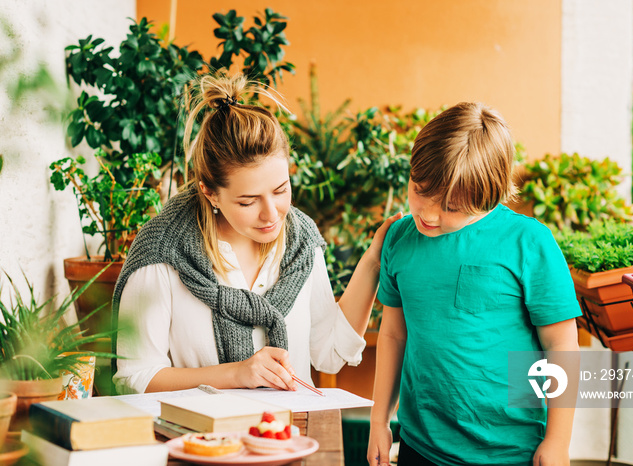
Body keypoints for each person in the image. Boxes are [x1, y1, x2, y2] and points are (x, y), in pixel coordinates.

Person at [111, 72, 401, 395]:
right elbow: (134, 378)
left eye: (281, 190)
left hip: (290, 441)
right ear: (210, 192)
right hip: (200, 443)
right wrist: (237, 374)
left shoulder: (301, 240)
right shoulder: (161, 253)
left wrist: (374, 260)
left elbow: (328, 354)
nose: (272, 213)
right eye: (248, 201)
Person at [367, 102, 581, 466]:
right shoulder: (399, 240)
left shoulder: (529, 243)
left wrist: (558, 440)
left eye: (451, 207)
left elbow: (561, 344)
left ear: (489, 198)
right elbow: (393, 335)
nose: (429, 214)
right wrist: (378, 419)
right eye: (420, 190)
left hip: (511, 451)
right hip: (421, 446)